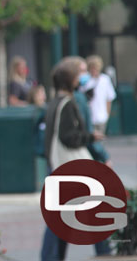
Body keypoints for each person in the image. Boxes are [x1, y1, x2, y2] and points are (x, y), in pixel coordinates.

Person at [40, 57, 105, 261]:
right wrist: (90, 137)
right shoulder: (67, 104)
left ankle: (52, 257)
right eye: (79, 74)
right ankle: (104, 253)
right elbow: (69, 137)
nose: (82, 78)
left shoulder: (55, 103)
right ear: (70, 79)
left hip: (58, 166)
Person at [85, 55, 117, 135]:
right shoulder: (85, 80)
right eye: (91, 68)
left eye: (95, 68)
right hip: (89, 117)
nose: (93, 70)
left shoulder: (105, 80)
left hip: (101, 116)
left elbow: (109, 98)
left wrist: (107, 114)